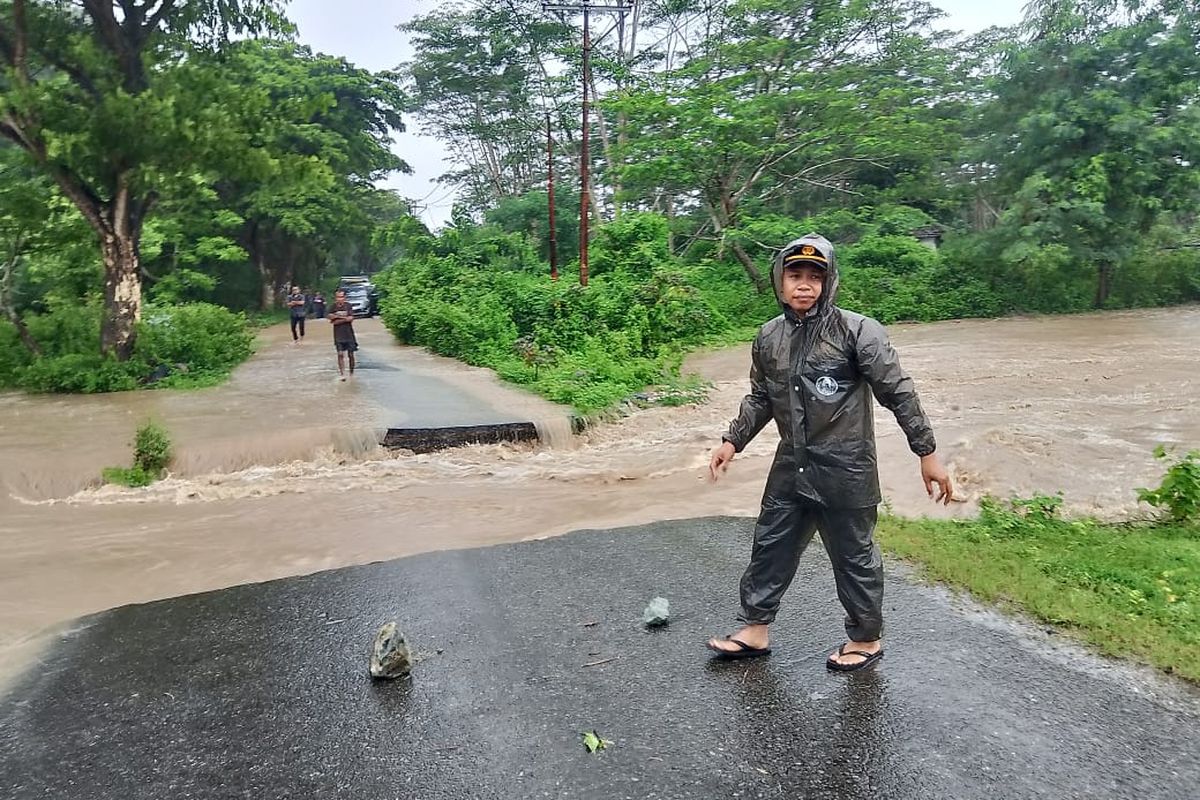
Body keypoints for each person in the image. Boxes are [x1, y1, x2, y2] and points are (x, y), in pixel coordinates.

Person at [706, 233, 953, 671]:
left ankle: (865, 638)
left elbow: (898, 392)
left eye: (814, 276)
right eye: (794, 275)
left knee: (853, 555)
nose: (804, 285)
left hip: (847, 467)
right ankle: (755, 628)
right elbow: (762, 396)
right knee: (770, 544)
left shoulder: (858, 331)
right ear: (779, 281)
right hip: (791, 464)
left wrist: (926, 451)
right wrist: (733, 440)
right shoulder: (768, 337)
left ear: (829, 281)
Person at [327, 289, 358, 380]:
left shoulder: (348, 306)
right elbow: (330, 318)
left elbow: (351, 318)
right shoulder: (332, 307)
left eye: (341, 297)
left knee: (351, 355)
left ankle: (351, 374)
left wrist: (337, 318)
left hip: (349, 334)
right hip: (338, 335)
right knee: (340, 354)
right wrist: (344, 318)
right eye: (337, 297)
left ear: (344, 297)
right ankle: (342, 374)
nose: (339, 299)